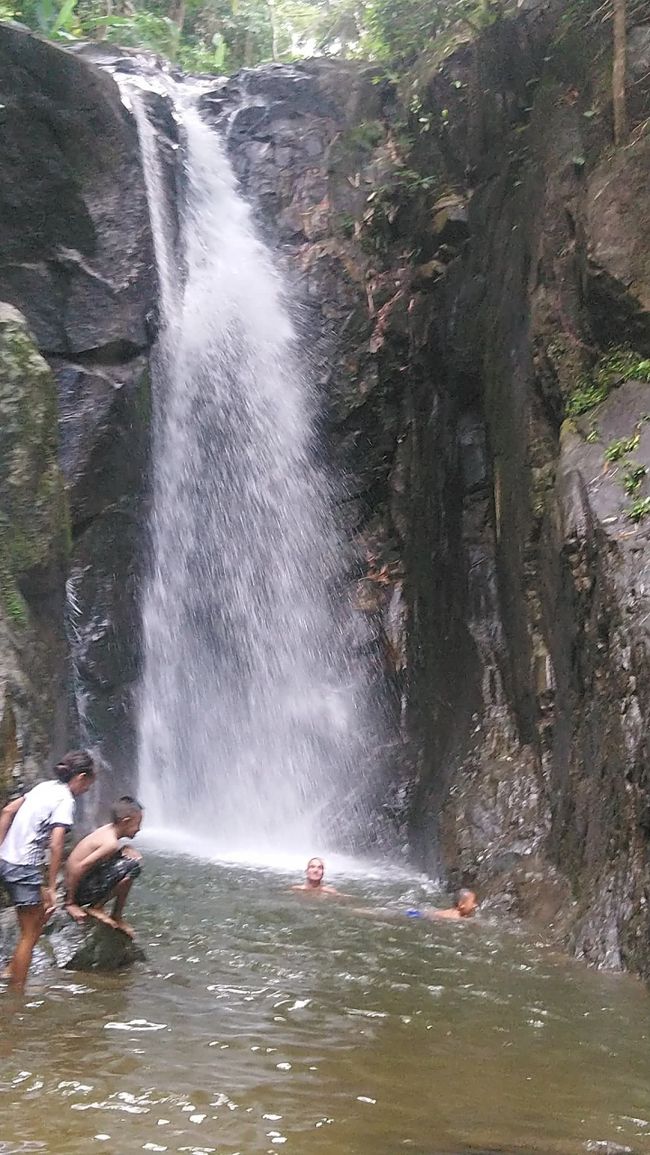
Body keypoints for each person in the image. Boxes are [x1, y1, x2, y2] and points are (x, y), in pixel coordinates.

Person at [0, 750, 97, 992]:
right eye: (88, 784)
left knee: (41, 915)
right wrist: (52, 886)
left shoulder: (44, 787)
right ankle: (16, 992)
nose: (87, 790)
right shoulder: (65, 800)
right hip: (24, 867)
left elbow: (8, 811)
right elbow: (56, 844)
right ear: (81, 777)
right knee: (29, 933)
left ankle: (12, 969)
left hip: (7, 860)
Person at [64, 796, 143, 938]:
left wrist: (124, 849)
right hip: (78, 891)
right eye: (138, 824)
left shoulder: (107, 830)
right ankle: (97, 907)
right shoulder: (110, 843)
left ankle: (115, 914)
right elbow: (80, 867)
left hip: (79, 882)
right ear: (126, 822)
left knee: (129, 860)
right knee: (133, 866)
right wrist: (70, 903)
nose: (139, 829)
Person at [406, 888, 478, 921]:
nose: (475, 905)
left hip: (421, 913)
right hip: (421, 916)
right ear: (462, 905)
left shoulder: (450, 911)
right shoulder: (457, 917)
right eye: (472, 902)